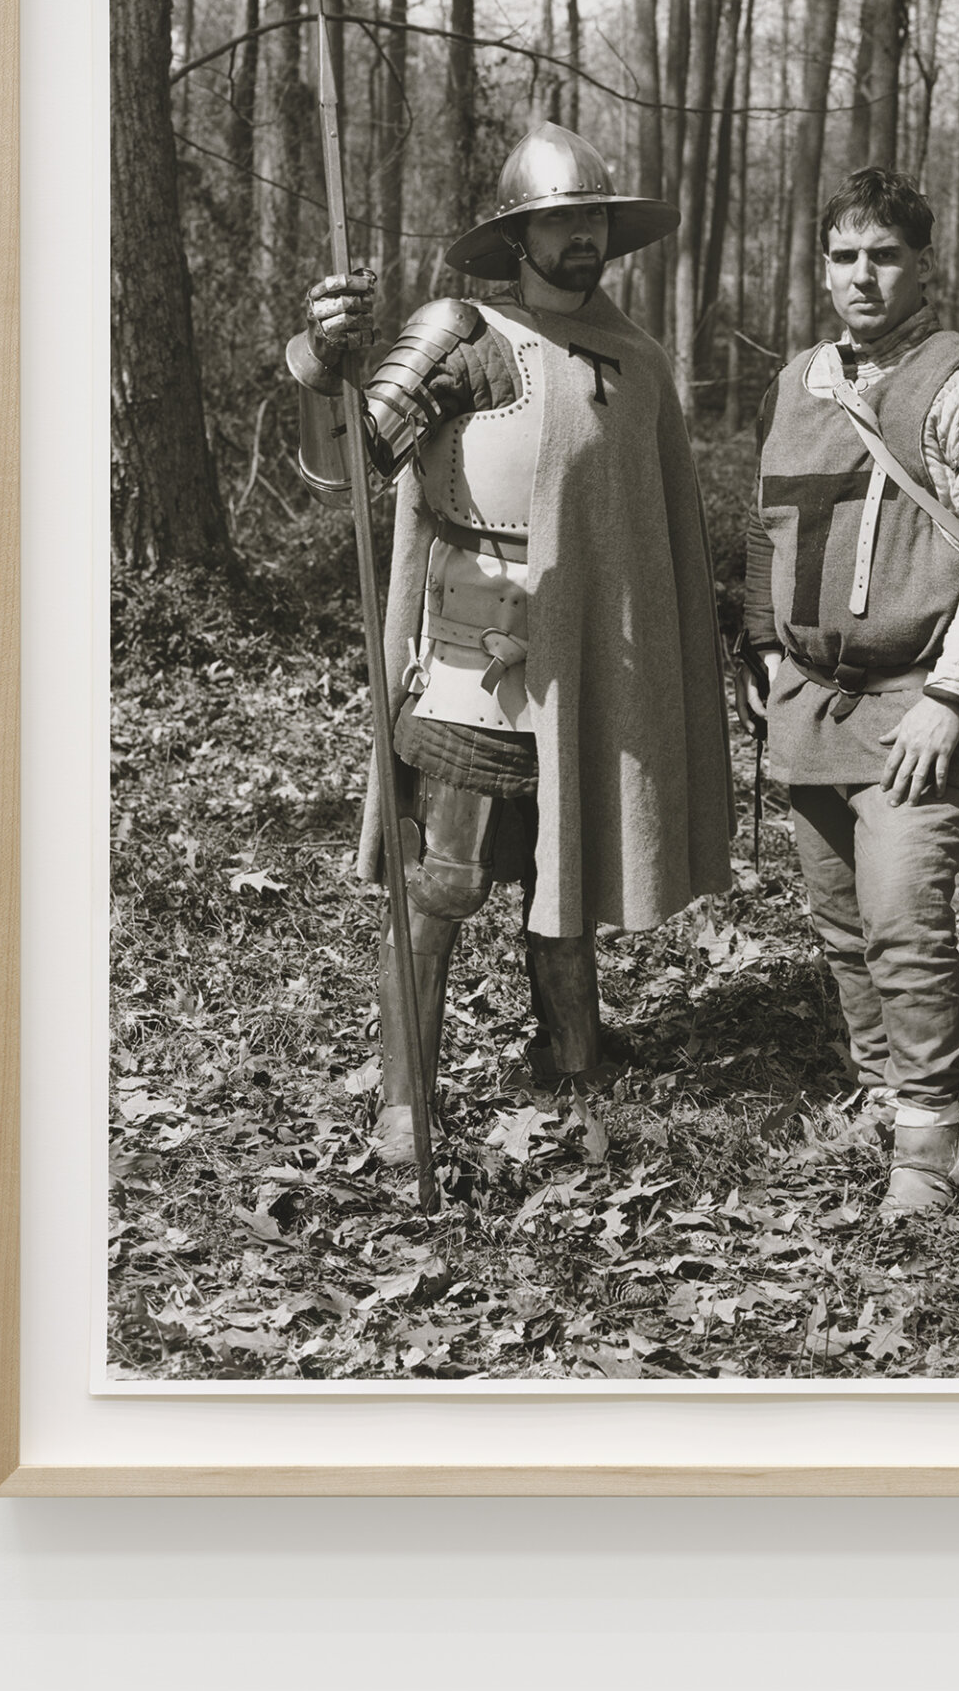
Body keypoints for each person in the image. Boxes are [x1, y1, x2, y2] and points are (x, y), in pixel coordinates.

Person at [288, 122, 733, 1164]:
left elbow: (653, 524)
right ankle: (408, 1101)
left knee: (566, 866)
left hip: (596, 661)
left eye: (592, 220)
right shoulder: (463, 334)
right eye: (557, 221)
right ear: (517, 235)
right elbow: (346, 465)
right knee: (442, 884)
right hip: (475, 659)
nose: (581, 238)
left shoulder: (636, 355)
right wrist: (322, 362)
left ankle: (571, 1056)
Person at [738, 167, 959, 1214]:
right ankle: (880, 1091)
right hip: (811, 695)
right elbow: (766, 524)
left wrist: (954, 694)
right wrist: (763, 648)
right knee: (839, 922)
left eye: (883, 255)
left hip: (920, 701)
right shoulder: (797, 382)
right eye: (842, 256)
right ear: (822, 267)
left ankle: (929, 1142)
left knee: (904, 922)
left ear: (923, 265)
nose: (861, 276)